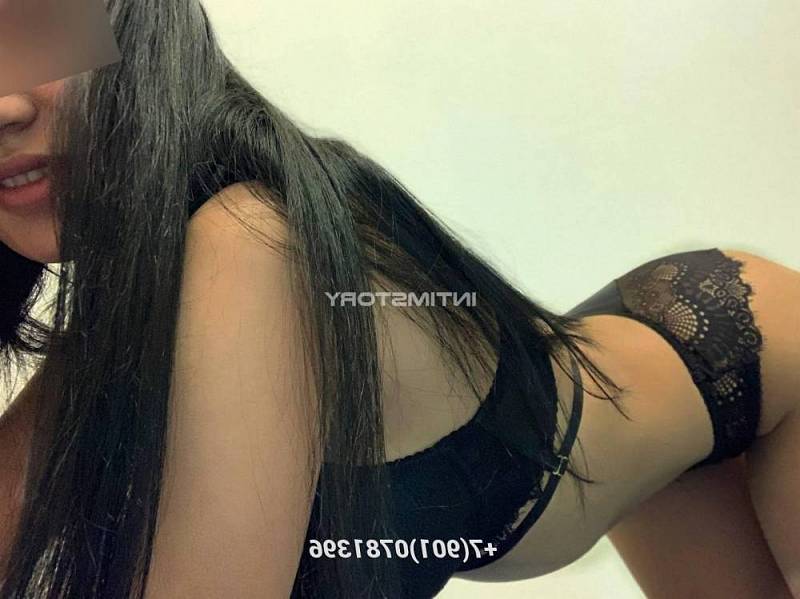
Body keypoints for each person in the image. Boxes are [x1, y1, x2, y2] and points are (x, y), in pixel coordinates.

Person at [0, 1, 798, 597]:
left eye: (30, 27)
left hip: (742, 351)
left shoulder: (253, 242)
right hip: (641, 410)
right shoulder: (125, 317)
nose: (4, 104)